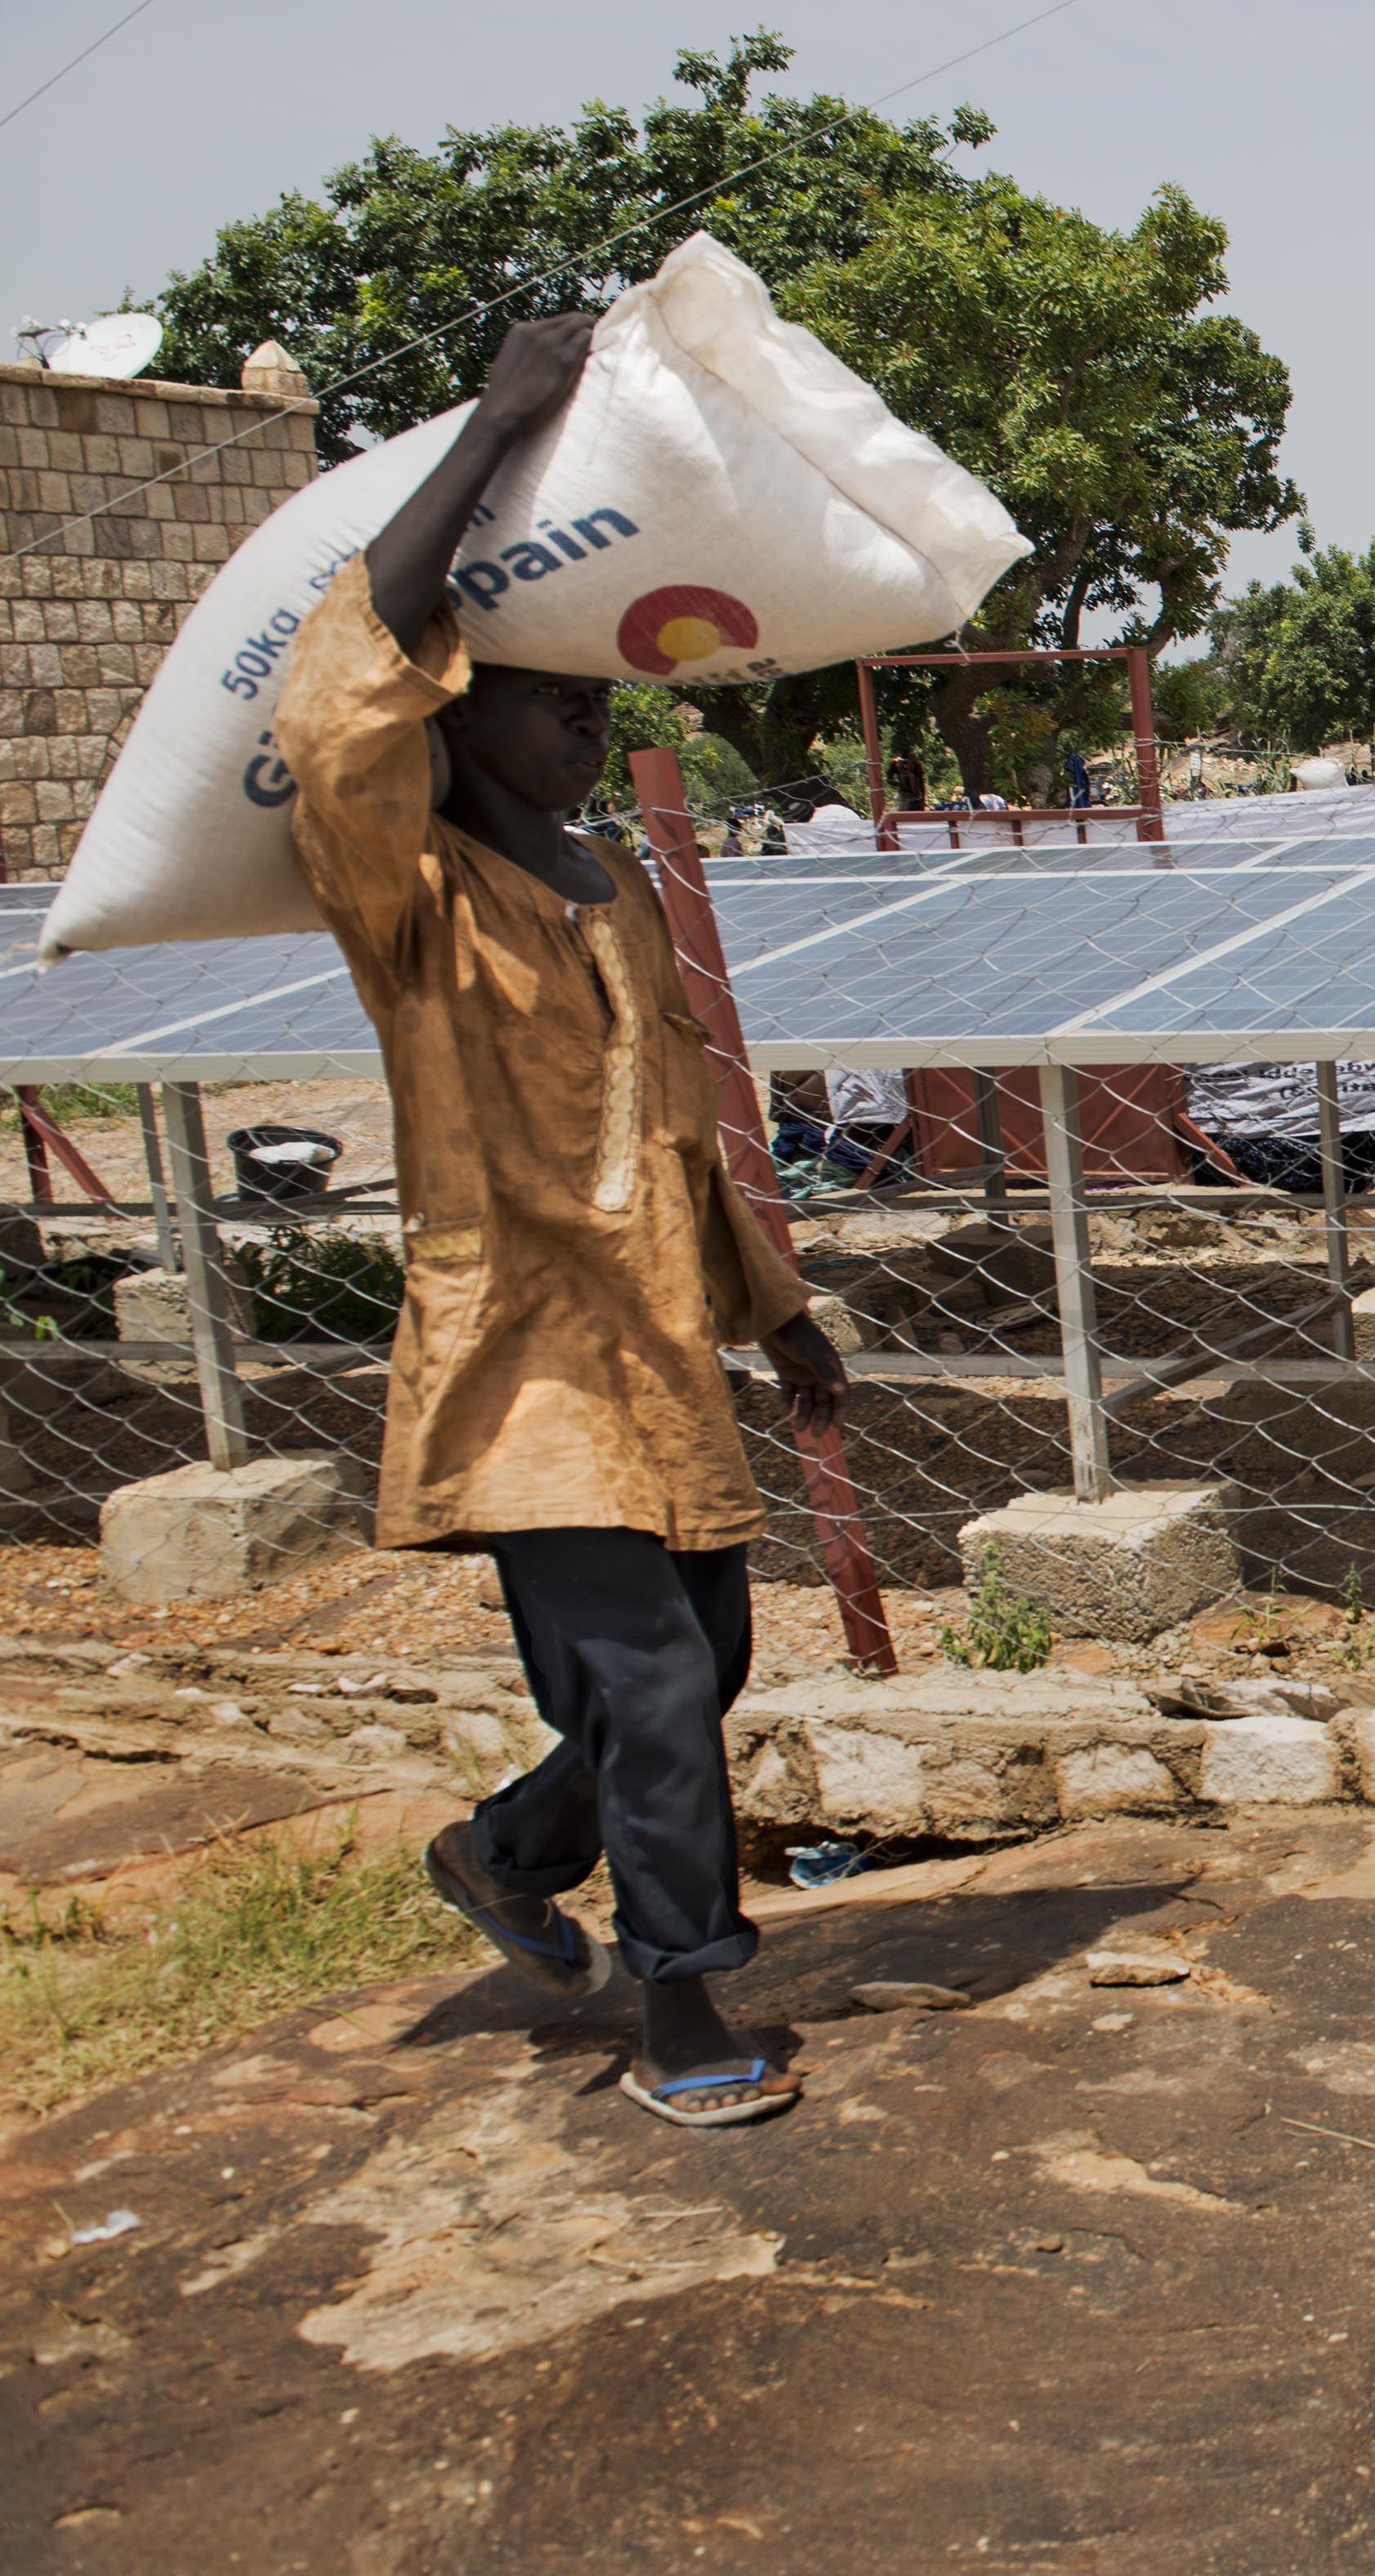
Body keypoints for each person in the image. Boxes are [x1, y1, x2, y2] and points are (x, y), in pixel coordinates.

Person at [272, 318, 849, 2129]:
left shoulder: (608, 892)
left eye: (597, 701)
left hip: (660, 1350)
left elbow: (679, 1136)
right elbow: (331, 703)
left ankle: (508, 1847)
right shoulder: (413, 895)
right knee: (661, 1690)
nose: (585, 724)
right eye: (550, 700)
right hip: (528, 1370)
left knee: (708, 1664)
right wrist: (506, 425)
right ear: (460, 721)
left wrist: (785, 1313)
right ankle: (684, 2000)